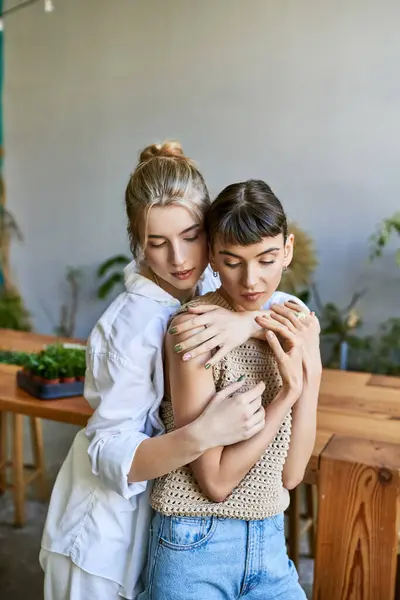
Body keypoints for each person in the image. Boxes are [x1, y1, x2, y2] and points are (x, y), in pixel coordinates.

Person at [40, 143, 304, 600]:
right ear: (136, 239)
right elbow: (109, 453)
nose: (179, 259)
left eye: (191, 236)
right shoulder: (126, 327)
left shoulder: (207, 282)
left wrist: (244, 323)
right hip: (105, 541)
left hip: (182, 528)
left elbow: (293, 311)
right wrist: (204, 433)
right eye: (157, 243)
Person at [139, 179, 321, 600]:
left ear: (287, 249)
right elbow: (216, 483)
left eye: (266, 259)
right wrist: (287, 395)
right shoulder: (195, 329)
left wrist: (308, 382)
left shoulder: (294, 323)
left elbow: (291, 476)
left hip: (271, 545)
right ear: (212, 261)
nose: (252, 279)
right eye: (232, 261)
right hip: (195, 547)